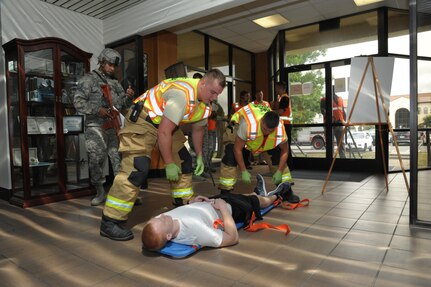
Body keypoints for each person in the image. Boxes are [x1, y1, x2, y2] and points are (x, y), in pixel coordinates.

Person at [99, 69, 226, 241]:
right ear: (202, 83)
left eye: (217, 94)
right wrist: (168, 163)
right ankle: (110, 221)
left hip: (166, 124)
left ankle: (182, 200)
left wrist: (200, 156)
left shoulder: (205, 104)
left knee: (184, 160)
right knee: (138, 167)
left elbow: (197, 131)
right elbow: (164, 133)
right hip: (144, 119)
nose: (213, 98)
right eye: (212, 92)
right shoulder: (182, 95)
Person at [141, 182, 294, 250]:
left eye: (158, 217)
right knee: (257, 202)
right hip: (232, 209)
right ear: (168, 235)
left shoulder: (166, 220)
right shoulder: (195, 231)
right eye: (161, 220)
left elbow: (177, 215)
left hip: (212, 202)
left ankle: (257, 192)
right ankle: (278, 195)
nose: (162, 216)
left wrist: (191, 203)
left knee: (244, 195)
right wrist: (223, 208)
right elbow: (232, 238)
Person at [74, 48, 135, 206]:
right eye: (109, 65)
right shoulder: (88, 80)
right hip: (95, 127)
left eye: (114, 66)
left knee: (118, 160)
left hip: (113, 127)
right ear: (101, 62)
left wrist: (128, 97)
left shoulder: (115, 83)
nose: (112, 69)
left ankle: (122, 193)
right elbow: (78, 102)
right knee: (96, 159)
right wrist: (97, 109)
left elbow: (122, 105)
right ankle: (100, 191)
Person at [219, 103, 294, 194]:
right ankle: (225, 191)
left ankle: (286, 190)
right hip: (237, 129)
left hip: (259, 139)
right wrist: (243, 171)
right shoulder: (247, 125)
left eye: (271, 130)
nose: (267, 132)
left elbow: (285, 150)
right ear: (262, 120)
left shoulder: (280, 129)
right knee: (230, 154)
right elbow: (237, 149)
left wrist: (279, 171)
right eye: (265, 129)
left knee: (276, 155)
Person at [230, 90, 252, 170]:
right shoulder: (235, 105)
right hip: (237, 126)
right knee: (237, 145)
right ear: (242, 97)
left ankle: (247, 163)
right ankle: (236, 162)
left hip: (246, 126)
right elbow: (231, 114)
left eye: (249, 96)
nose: (248, 98)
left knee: (247, 146)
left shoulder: (250, 106)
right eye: (247, 96)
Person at [275, 81, 294, 170]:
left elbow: (281, 111)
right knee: (284, 146)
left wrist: (271, 113)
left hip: (285, 125)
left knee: (285, 146)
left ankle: (288, 166)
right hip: (283, 124)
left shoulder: (284, 98)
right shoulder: (281, 98)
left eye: (277, 88)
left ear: (281, 88)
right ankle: (286, 165)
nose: (275, 89)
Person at [332, 92, 346, 158]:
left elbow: (343, 111)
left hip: (340, 123)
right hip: (330, 124)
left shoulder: (340, 99)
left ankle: (343, 159)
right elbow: (323, 111)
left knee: (341, 143)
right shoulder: (324, 99)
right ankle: (330, 160)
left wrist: (344, 121)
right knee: (330, 143)